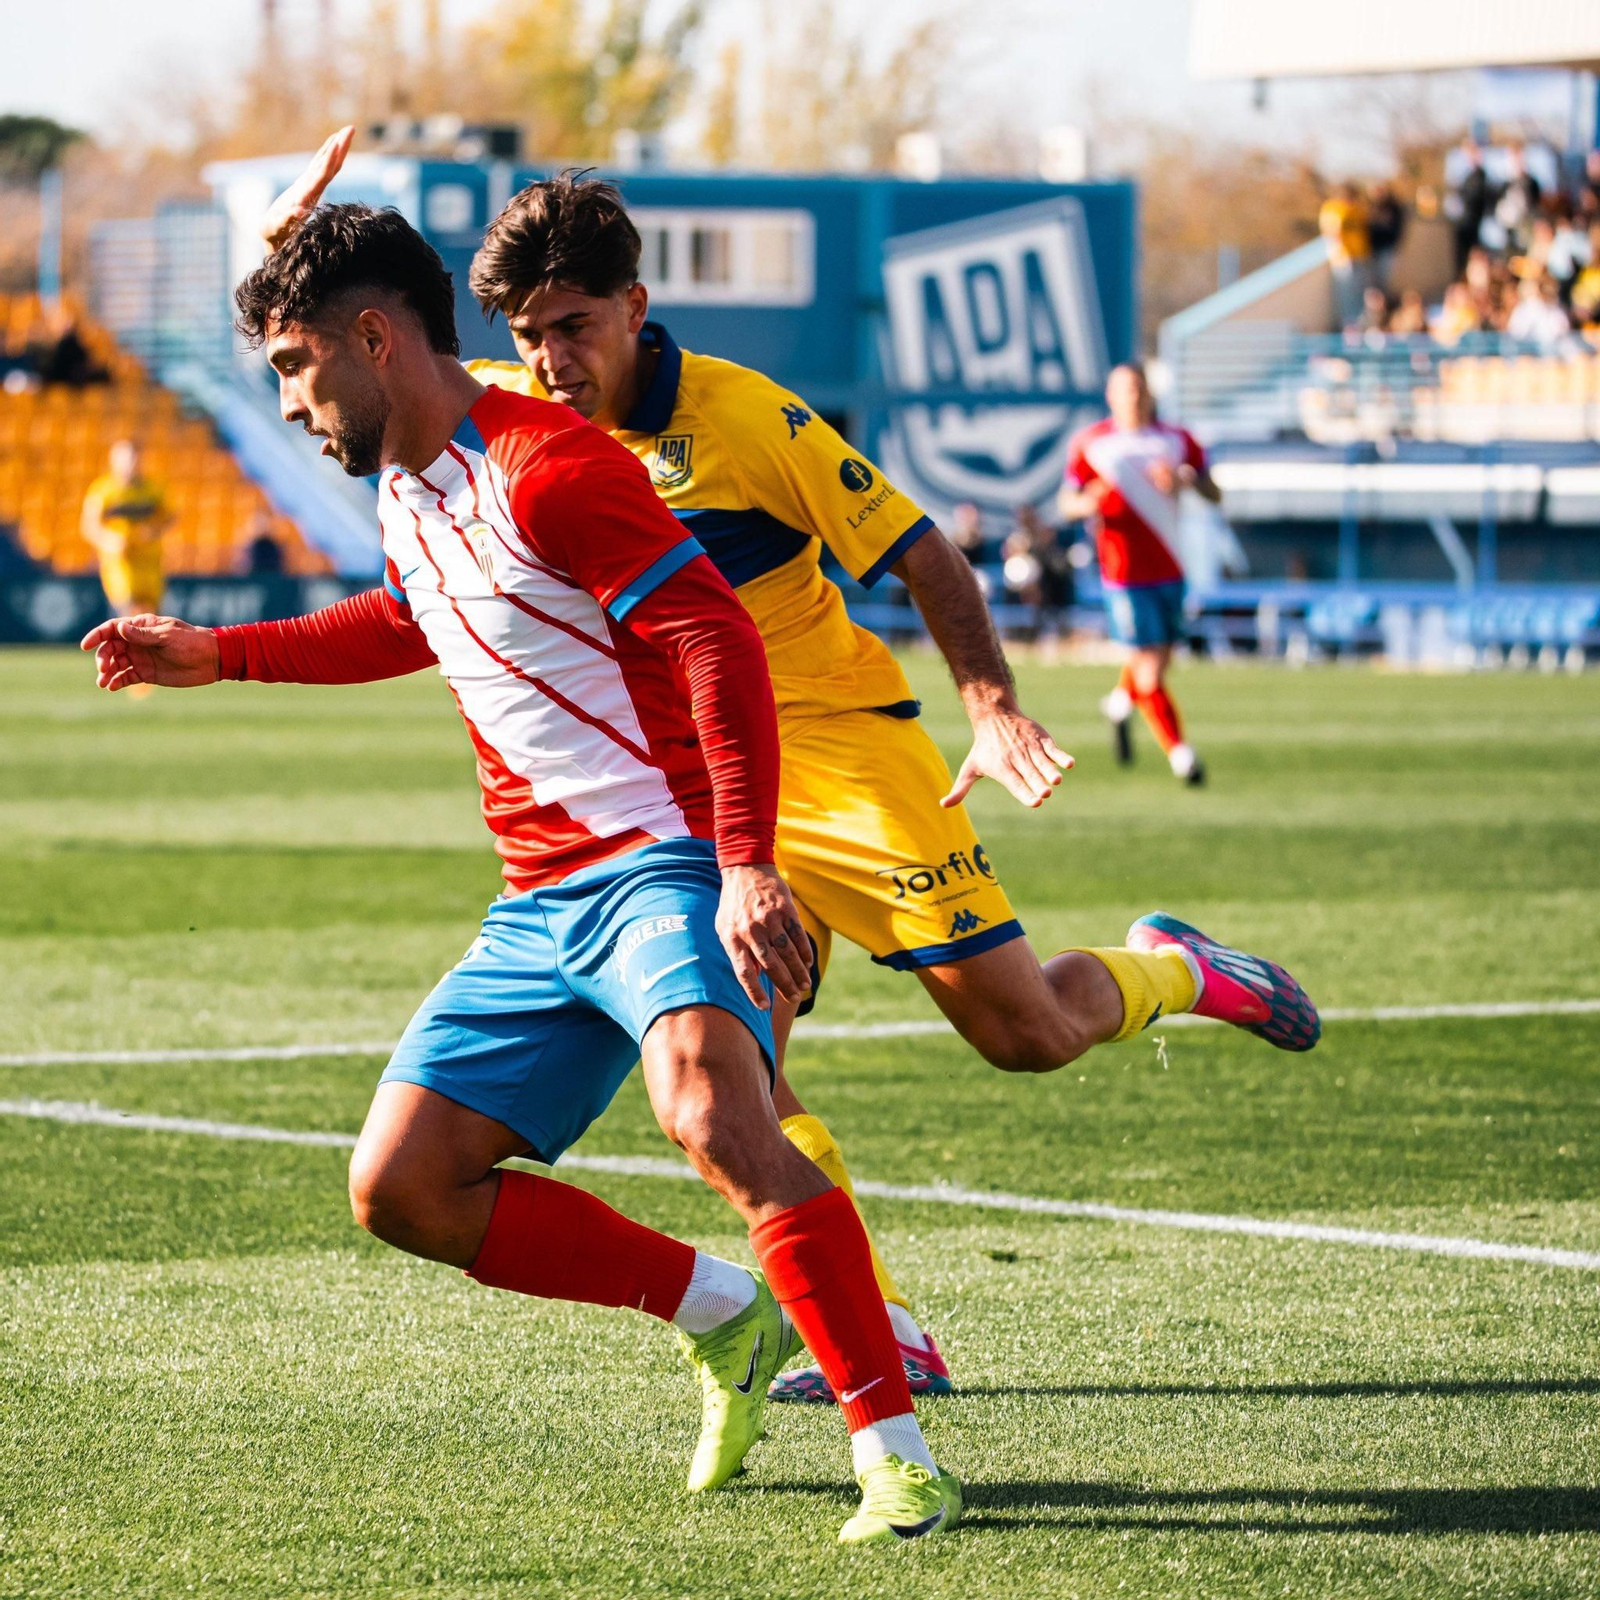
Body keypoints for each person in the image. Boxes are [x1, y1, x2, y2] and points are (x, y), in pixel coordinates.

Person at [265, 137, 1322, 1415]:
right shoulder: (506, 403)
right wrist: (287, 250)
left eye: (575, 328)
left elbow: (925, 554)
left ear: (636, 308)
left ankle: (1182, 969)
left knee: (1023, 1031)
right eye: (528, 334)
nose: (550, 362)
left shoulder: (751, 419)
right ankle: (872, 1326)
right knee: (737, 1081)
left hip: (835, 753)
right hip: (695, 789)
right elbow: (364, 347)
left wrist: (987, 703)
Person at [80, 201, 962, 1546]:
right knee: (402, 1190)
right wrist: (226, 650)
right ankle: (722, 1316)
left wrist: (742, 867)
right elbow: (410, 614)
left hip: (665, 860)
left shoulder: (550, 465)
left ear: (374, 340)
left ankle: (895, 1455)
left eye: (294, 368)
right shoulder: (411, 482)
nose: (293, 405)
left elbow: (715, 638)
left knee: (718, 1118)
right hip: (538, 901)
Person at [1059, 364, 1218, 786]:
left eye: (1138, 388)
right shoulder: (1092, 443)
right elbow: (1067, 503)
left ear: (1148, 392)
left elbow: (1213, 491)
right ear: (1110, 396)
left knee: (1159, 662)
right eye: (1123, 390)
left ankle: (1117, 703)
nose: (1132, 397)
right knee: (1148, 668)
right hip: (1123, 574)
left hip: (1170, 567)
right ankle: (1182, 756)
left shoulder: (1176, 440)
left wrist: (1186, 481)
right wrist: (1088, 503)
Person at [82, 439, 170, 697]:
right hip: (121, 564)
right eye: (124, 458)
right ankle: (133, 671)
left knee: (151, 616)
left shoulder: (153, 489)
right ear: (113, 460)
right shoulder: (103, 491)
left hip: (150, 562)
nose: (129, 464)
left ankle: (150, 669)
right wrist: (109, 540)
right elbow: (90, 526)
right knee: (131, 613)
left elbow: (170, 516)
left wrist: (153, 530)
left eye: (133, 458)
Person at [1319, 182, 1371, 329]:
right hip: (1343, 258)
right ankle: (1348, 324)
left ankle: (1360, 323)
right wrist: (1341, 254)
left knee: (1360, 291)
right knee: (1346, 292)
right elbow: (1332, 234)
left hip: (1360, 255)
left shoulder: (1356, 209)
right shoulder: (1332, 209)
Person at [1446, 140, 1490, 276]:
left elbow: (1475, 199)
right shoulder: (1466, 176)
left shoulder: (1480, 176)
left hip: (1473, 225)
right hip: (1463, 224)